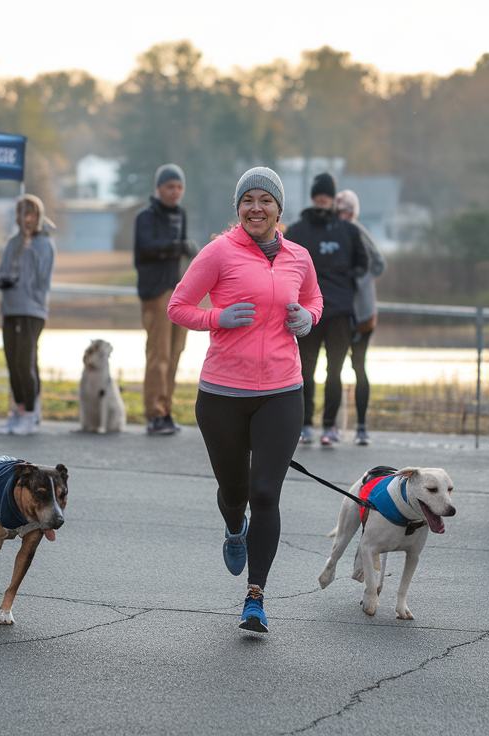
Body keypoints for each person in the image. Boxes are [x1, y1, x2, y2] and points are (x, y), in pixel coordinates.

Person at [168, 166, 323, 632]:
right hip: (222, 395)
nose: (256, 208)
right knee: (235, 494)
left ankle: (255, 597)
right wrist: (218, 317)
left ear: (279, 209)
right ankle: (234, 528)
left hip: (282, 392)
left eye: (265, 200)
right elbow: (178, 307)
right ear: (238, 208)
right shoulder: (218, 252)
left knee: (265, 494)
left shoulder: (298, 256)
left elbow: (315, 299)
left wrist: (307, 320)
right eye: (248, 200)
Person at [288, 172, 368, 446]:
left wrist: (348, 279)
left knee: (334, 370)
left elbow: (364, 263)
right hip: (306, 312)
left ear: (333, 200)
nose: (322, 202)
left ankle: (330, 426)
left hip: (340, 311)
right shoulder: (298, 230)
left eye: (327, 198)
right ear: (313, 198)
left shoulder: (348, 231)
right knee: (304, 370)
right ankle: (305, 424)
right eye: (318, 197)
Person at [135, 164, 196, 436]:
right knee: (158, 352)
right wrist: (175, 247)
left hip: (178, 290)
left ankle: (167, 408)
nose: (175, 192)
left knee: (175, 351)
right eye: (170, 186)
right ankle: (154, 412)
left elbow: (179, 247)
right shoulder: (146, 217)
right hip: (156, 291)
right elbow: (145, 249)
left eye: (179, 187)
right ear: (158, 188)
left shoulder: (180, 214)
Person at [0, 194, 56, 436]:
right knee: (11, 360)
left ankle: (31, 413)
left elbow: (43, 281)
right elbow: (0, 272)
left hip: (32, 310)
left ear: (38, 216)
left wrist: (26, 289)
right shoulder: (12, 243)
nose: (26, 219)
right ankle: (18, 411)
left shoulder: (44, 244)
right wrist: (3, 281)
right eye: (22, 214)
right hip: (11, 308)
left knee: (25, 360)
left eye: (31, 214)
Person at [335, 189, 385, 446]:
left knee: (358, 367)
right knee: (333, 368)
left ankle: (361, 426)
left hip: (363, 311)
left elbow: (379, 264)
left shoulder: (359, 232)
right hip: (339, 310)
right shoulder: (333, 232)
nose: (344, 215)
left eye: (348, 211)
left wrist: (359, 277)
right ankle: (331, 425)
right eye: (339, 210)